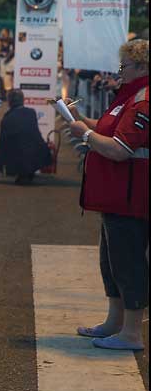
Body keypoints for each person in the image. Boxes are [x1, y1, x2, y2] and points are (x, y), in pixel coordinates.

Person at [69, 39, 149, 351]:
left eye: (124, 67)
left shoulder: (141, 102)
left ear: (142, 66)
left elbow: (120, 149)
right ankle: (114, 323)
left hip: (131, 199)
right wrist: (84, 123)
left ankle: (131, 333)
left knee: (128, 264)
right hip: (117, 197)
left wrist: (86, 135)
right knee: (112, 262)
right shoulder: (128, 97)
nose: (119, 72)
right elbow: (111, 131)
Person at [0, 90, 52, 184]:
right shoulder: (31, 113)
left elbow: (2, 144)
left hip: (15, 156)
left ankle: (20, 171)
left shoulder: (7, 118)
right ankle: (28, 170)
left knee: (12, 147)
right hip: (36, 154)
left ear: (9, 102)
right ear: (22, 100)